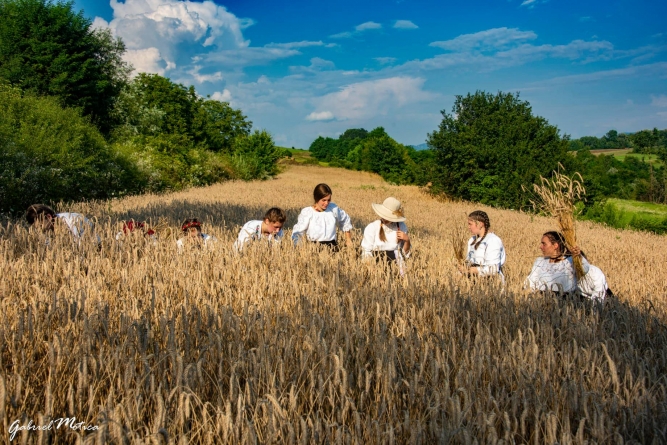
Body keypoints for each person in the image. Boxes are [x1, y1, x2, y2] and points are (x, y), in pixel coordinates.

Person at [525, 231, 590, 295]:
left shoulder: (570, 261)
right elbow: (530, 282)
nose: (540, 247)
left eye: (544, 244)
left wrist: (578, 256)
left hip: (566, 302)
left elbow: (585, 269)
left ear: (555, 245)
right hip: (542, 301)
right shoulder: (540, 261)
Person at [291, 183, 353, 250]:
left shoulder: (333, 208)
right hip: (314, 249)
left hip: (332, 247)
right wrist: (298, 249)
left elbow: (345, 220)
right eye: (324, 200)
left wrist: (348, 239)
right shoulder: (308, 212)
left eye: (328, 200)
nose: (326, 203)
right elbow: (298, 232)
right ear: (317, 198)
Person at [360, 197, 411, 274]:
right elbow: (366, 252)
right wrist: (375, 271)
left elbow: (405, 253)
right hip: (377, 263)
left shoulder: (401, 226)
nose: (385, 219)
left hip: (397, 263)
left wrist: (407, 240)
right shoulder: (372, 227)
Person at [458, 210, 506, 280]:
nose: (468, 227)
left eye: (470, 224)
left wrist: (470, 270)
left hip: (491, 283)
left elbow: (493, 269)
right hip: (473, 282)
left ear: (480, 224)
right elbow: (469, 261)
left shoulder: (493, 240)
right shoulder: (472, 240)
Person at [26, 204, 99, 245]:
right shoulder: (49, 228)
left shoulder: (74, 221)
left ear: (49, 217)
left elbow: (83, 246)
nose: (39, 229)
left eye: (40, 226)